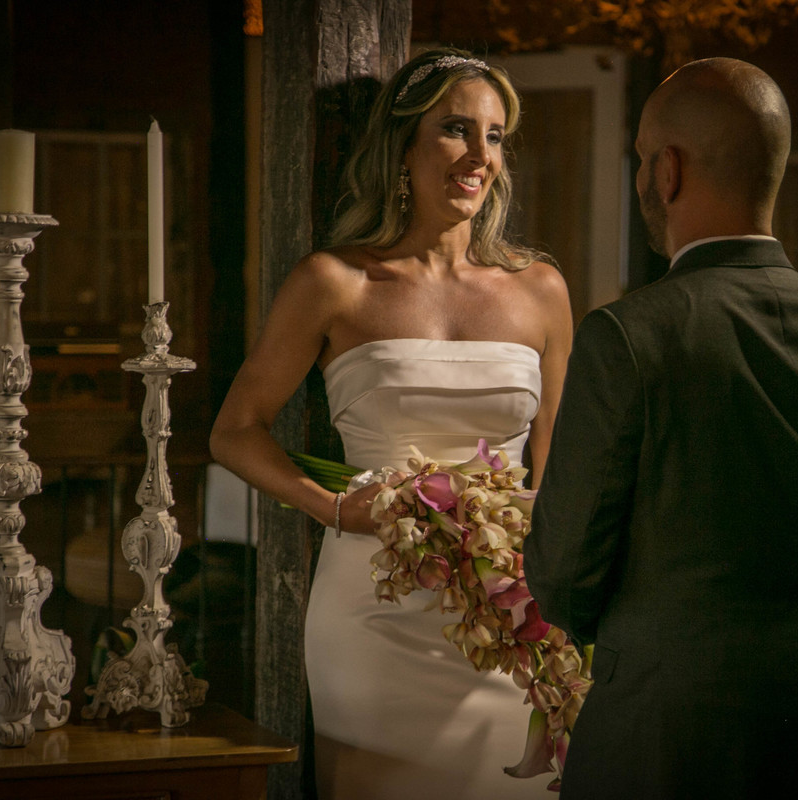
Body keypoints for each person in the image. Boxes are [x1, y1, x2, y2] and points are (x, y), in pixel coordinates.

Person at [523, 57, 798, 798]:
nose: (643, 175)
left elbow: (563, 577)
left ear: (667, 171)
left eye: (643, 157)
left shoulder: (627, 337)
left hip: (660, 745)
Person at [209, 48, 571, 799]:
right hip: (372, 612)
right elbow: (234, 431)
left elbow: (561, 466)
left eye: (495, 136)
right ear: (402, 149)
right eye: (456, 129)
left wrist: (561, 602)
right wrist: (334, 506)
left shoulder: (541, 290)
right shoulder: (332, 282)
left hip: (506, 609)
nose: (480, 155)